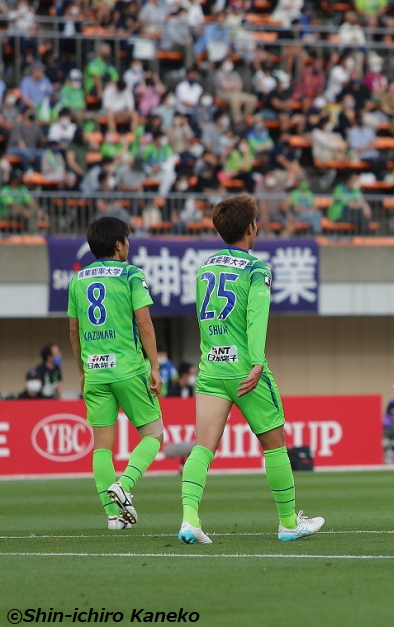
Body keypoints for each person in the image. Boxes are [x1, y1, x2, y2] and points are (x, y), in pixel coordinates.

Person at [178, 194, 324, 545]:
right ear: (250, 228)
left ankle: (189, 520)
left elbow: (203, 320)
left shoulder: (204, 267)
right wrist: (257, 361)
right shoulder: (257, 269)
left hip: (212, 368)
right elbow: (256, 318)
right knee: (275, 445)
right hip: (245, 369)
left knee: (202, 448)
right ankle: (288, 523)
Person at [67, 217, 163, 531]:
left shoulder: (78, 280)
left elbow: (74, 331)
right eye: (127, 240)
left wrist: (82, 371)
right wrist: (155, 366)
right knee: (154, 434)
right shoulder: (131, 274)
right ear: (119, 244)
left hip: (94, 371)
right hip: (128, 369)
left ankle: (113, 516)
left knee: (102, 447)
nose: (129, 245)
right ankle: (125, 484)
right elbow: (144, 323)